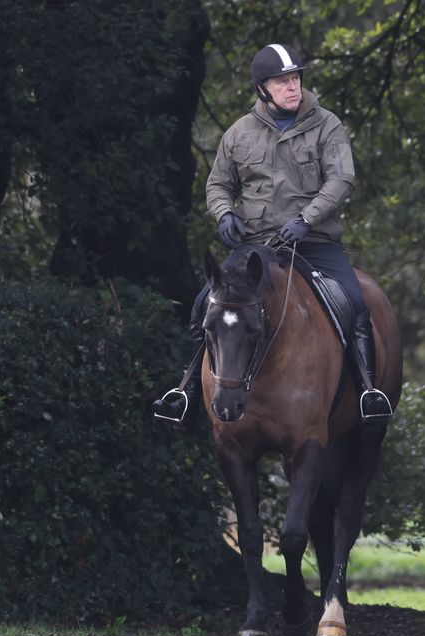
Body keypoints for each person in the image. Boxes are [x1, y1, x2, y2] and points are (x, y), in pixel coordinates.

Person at [152, 43, 392, 425]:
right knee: (203, 305)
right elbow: (217, 185)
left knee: (355, 303)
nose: (293, 87)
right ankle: (185, 393)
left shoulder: (327, 125)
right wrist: (224, 214)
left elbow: (342, 179)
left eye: (295, 78)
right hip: (254, 249)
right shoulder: (239, 133)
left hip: (313, 242)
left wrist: (307, 219)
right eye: (283, 81)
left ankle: (367, 390)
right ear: (262, 88)